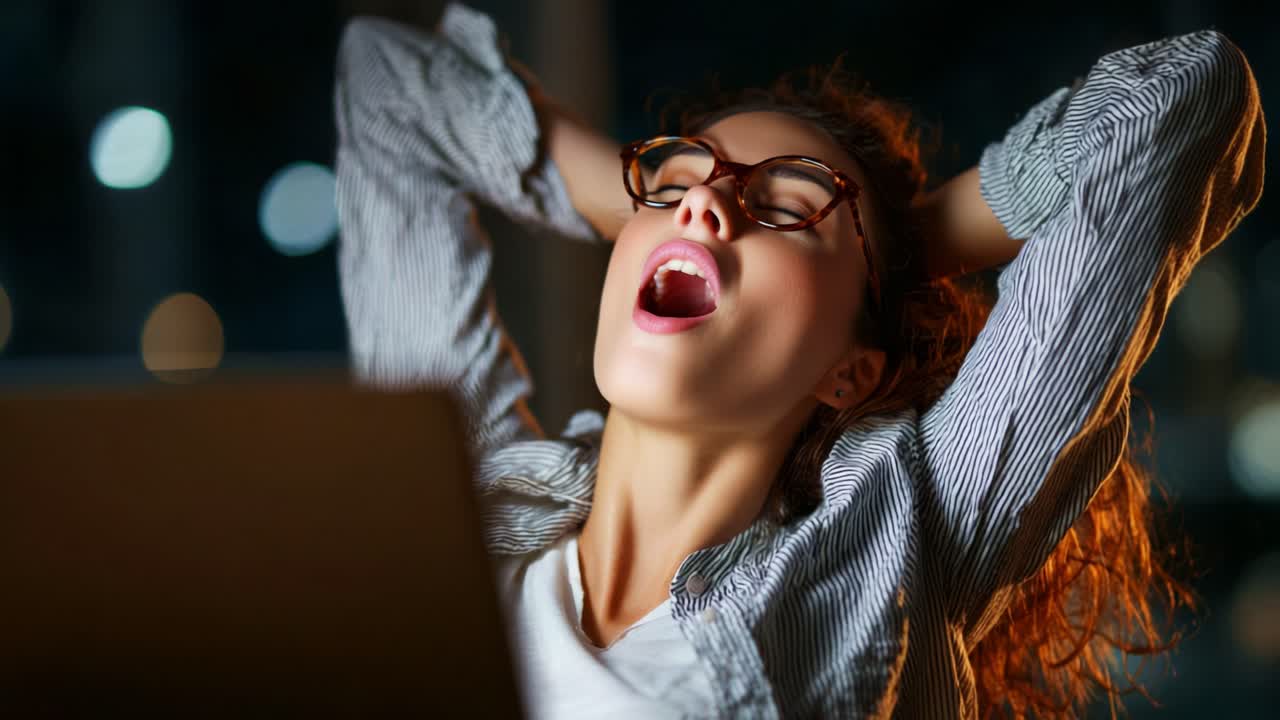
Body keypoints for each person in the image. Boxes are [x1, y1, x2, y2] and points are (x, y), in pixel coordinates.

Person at [333, 4, 1265, 718]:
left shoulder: (902, 542)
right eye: (679, 183)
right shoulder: (461, 500)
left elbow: (1182, 98)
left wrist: (904, 247)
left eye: (788, 207)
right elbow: (386, 84)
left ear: (849, 370)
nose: (707, 209)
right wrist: (656, 205)